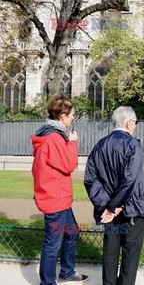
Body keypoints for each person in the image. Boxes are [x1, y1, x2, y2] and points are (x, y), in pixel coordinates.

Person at [84, 106, 144, 285]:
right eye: (135, 122)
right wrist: (112, 207)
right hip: (131, 211)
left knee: (110, 251)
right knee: (130, 255)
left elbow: (90, 179)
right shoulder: (132, 144)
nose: (135, 125)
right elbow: (130, 180)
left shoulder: (100, 145)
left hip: (111, 211)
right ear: (129, 123)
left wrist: (107, 206)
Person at [31, 94, 89, 285]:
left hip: (59, 197)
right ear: (63, 115)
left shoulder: (51, 135)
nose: (73, 118)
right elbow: (69, 164)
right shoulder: (53, 138)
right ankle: (47, 282)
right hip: (54, 198)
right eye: (71, 114)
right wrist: (72, 142)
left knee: (71, 232)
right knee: (52, 243)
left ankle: (66, 272)